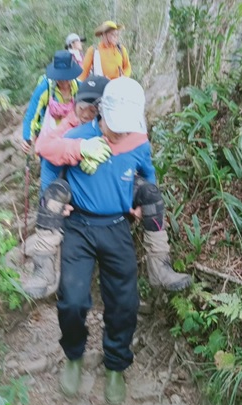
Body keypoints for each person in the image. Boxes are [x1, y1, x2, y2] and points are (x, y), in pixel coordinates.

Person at [24, 76, 192, 297]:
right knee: (54, 194)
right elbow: (46, 152)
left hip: (116, 192)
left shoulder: (135, 137)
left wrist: (143, 202)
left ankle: (160, 266)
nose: (86, 115)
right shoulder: (73, 128)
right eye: (82, 108)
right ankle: (43, 269)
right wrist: (79, 149)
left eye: (91, 109)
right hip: (77, 194)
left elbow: (147, 172)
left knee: (151, 192)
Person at [42, 78, 154, 405]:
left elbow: (147, 173)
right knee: (73, 301)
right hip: (78, 225)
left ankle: (116, 365)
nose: (119, 134)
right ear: (101, 112)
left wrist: (140, 197)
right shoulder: (78, 136)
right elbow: (49, 162)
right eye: (114, 127)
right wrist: (52, 200)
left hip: (117, 226)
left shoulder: (138, 141)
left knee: (124, 303)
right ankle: (74, 356)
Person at [20, 50, 82, 154]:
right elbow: (31, 115)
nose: (63, 81)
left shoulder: (79, 87)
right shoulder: (45, 87)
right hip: (49, 137)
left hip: (73, 136)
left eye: (66, 77)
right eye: (60, 78)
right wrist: (27, 138)